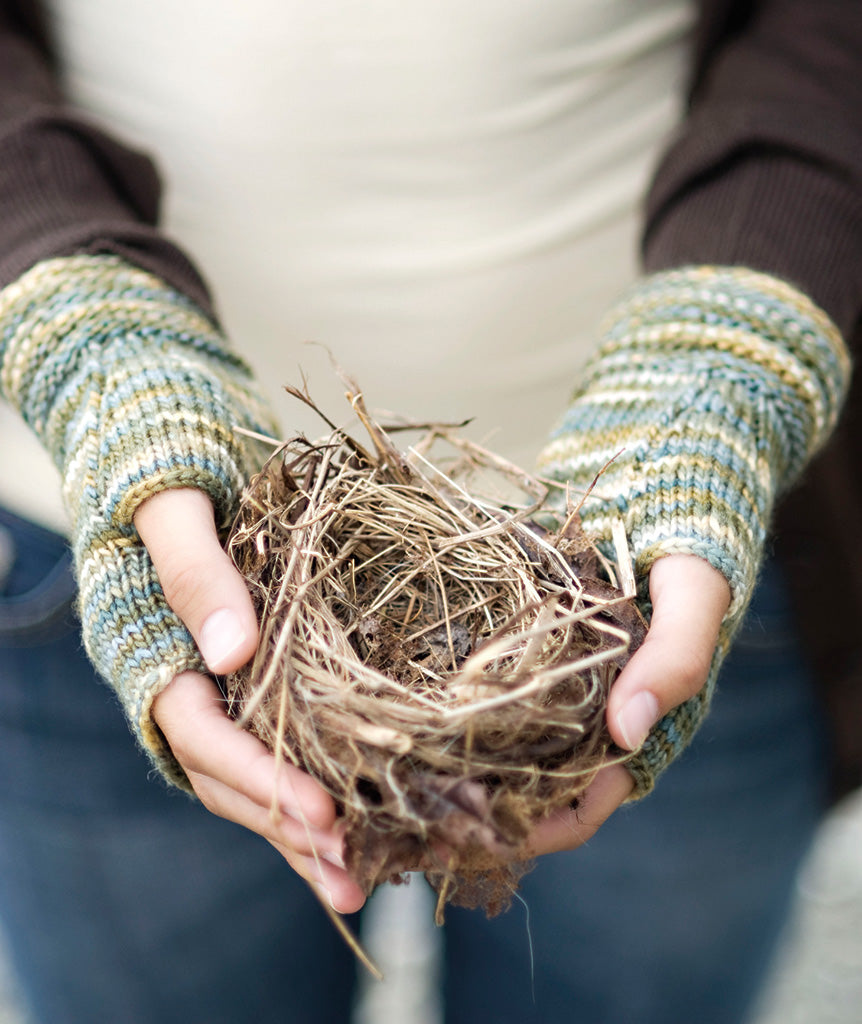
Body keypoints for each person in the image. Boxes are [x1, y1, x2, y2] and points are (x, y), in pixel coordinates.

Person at [0, 1, 859, 1021]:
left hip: (672, 553)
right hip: (113, 540)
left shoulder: (672, 509)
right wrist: (86, 334)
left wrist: (723, 363)